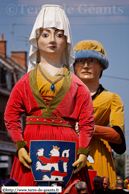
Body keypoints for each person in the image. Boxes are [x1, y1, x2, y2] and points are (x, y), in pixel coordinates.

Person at [4, 5, 94, 194]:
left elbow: (86, 122)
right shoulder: (24, 83)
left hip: (68, 151)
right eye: (45, 34)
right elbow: (11, 115)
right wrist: (20, 146)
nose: (52, 40)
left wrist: (83, 151)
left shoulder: (79, 86)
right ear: (36, 38)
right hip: (31, 148)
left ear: (66, 40)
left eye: (59, 35)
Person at [73, 40, 126, 190]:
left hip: (98, 156)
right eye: (80, 60)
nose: (85, 66)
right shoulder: (64, 96)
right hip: (69, 152)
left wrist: (90, 128)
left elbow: (119, 140)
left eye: (91, 61)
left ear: (101, 66)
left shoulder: (111, 99)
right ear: (73, 65)